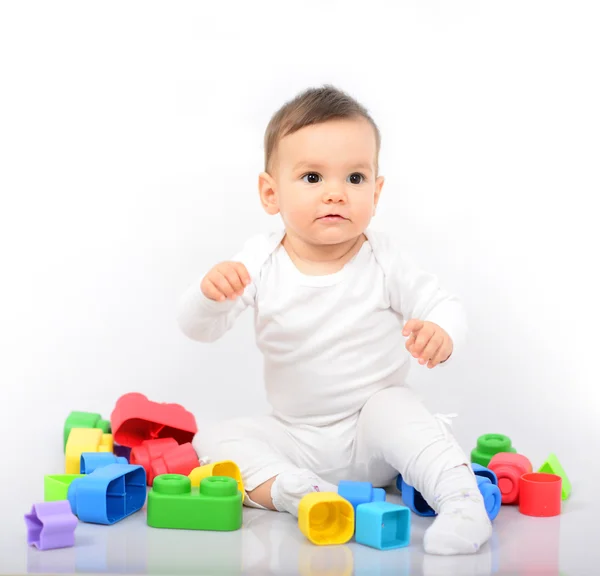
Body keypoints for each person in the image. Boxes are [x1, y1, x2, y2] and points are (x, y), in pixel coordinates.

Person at [177, 85, 492, 555]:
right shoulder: (259, 261)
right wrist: (210, 297)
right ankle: (293, 490)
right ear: (270, 193)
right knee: (214, 438)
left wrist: (441, 330)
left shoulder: (383, 260)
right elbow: (198, 328)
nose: (335, 194)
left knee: (398, 408)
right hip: (294, 437)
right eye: (311, 177)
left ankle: (462, 501)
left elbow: (444, 303)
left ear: (377, 191)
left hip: (373, 434)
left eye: (355, 178)